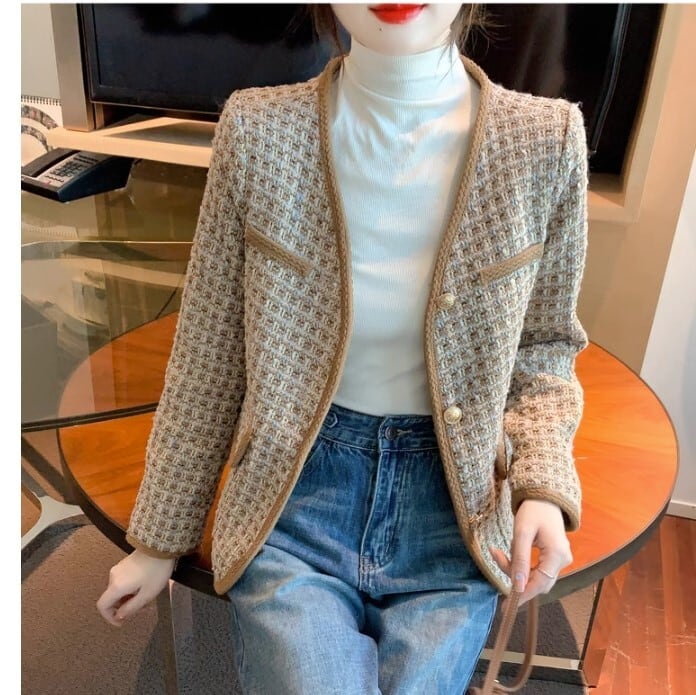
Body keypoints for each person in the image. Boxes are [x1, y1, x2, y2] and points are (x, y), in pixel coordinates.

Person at [97, 4, 588, 693]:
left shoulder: (546, 141)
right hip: (295, 492)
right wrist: (159, 538)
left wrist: (541, 484)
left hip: (458, 506)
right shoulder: (258, 130)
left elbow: (544, 348)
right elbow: (210, 351)